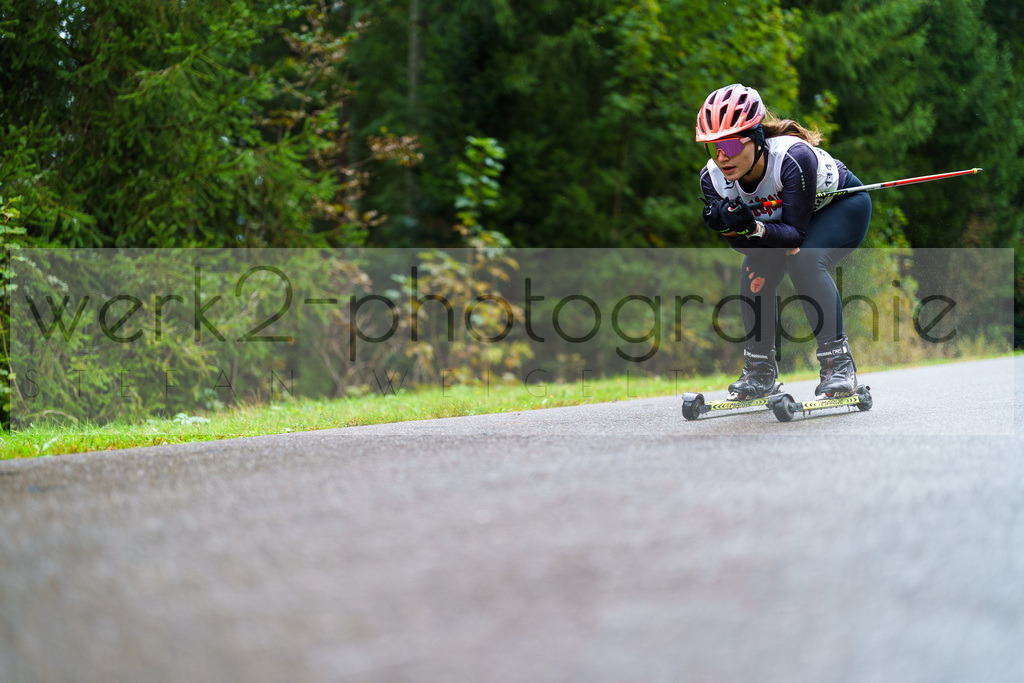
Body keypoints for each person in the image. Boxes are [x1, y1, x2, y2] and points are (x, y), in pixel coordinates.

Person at [695, 83, 872, 399]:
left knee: (802, 257)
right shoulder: (711, 179)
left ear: (757, 138)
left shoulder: (792, 158)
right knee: (754, 274)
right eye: (713, 147)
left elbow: (794, 235)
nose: (722, 157)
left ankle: (838, 364)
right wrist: (730, 229)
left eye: (731, 146)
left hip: (841, 207)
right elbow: (745, 247)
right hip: (783, 225)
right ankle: (759, 370)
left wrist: (751, 226)